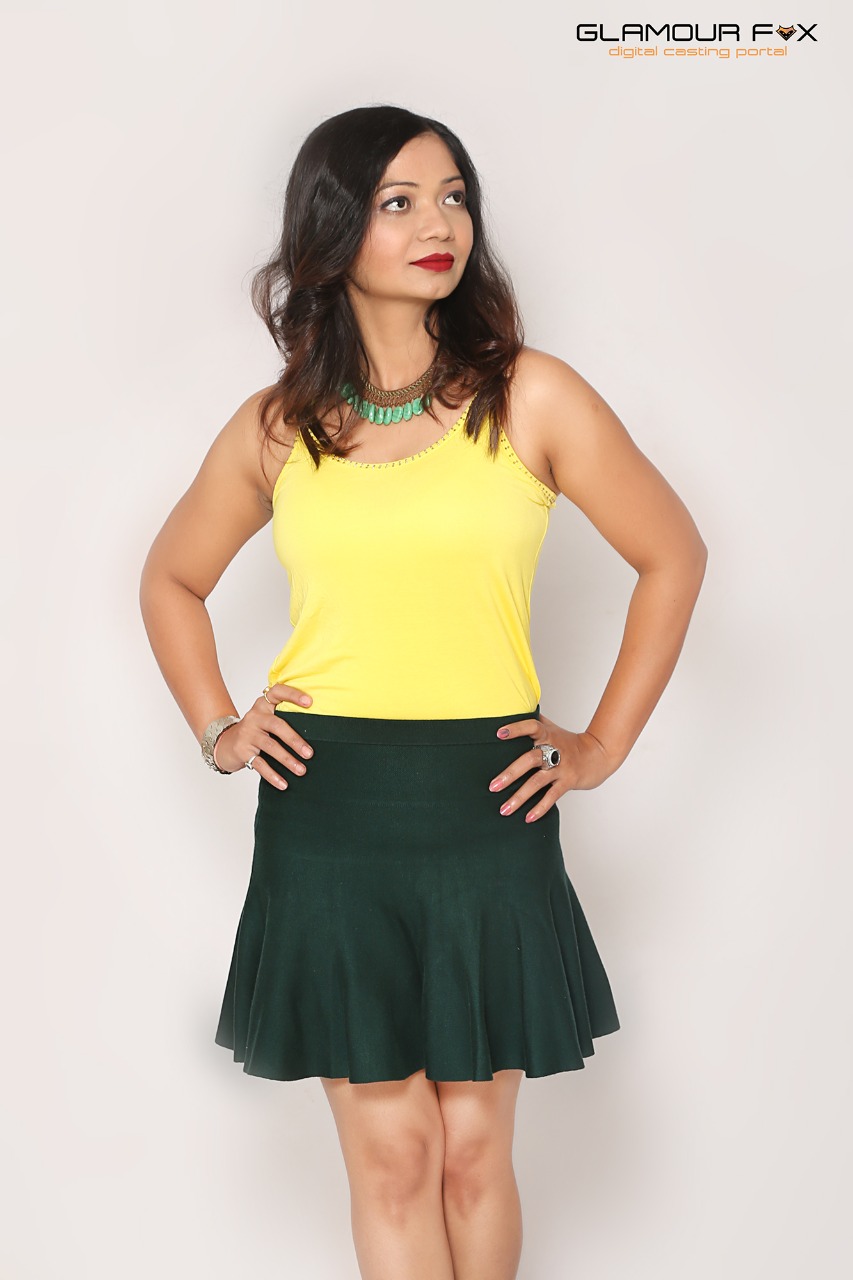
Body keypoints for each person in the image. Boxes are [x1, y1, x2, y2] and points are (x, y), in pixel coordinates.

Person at [139, 104, 707, 1280]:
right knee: (394, 1157)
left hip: (485, 803)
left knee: (471, 1152)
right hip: (328, 809)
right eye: (397, 202)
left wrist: (601, 744)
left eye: (452, 196)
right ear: (332, 229)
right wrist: (219, 727)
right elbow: (171, 578)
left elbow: (672, 553)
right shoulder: (278, 427)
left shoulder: (531, 396)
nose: (437, 223)